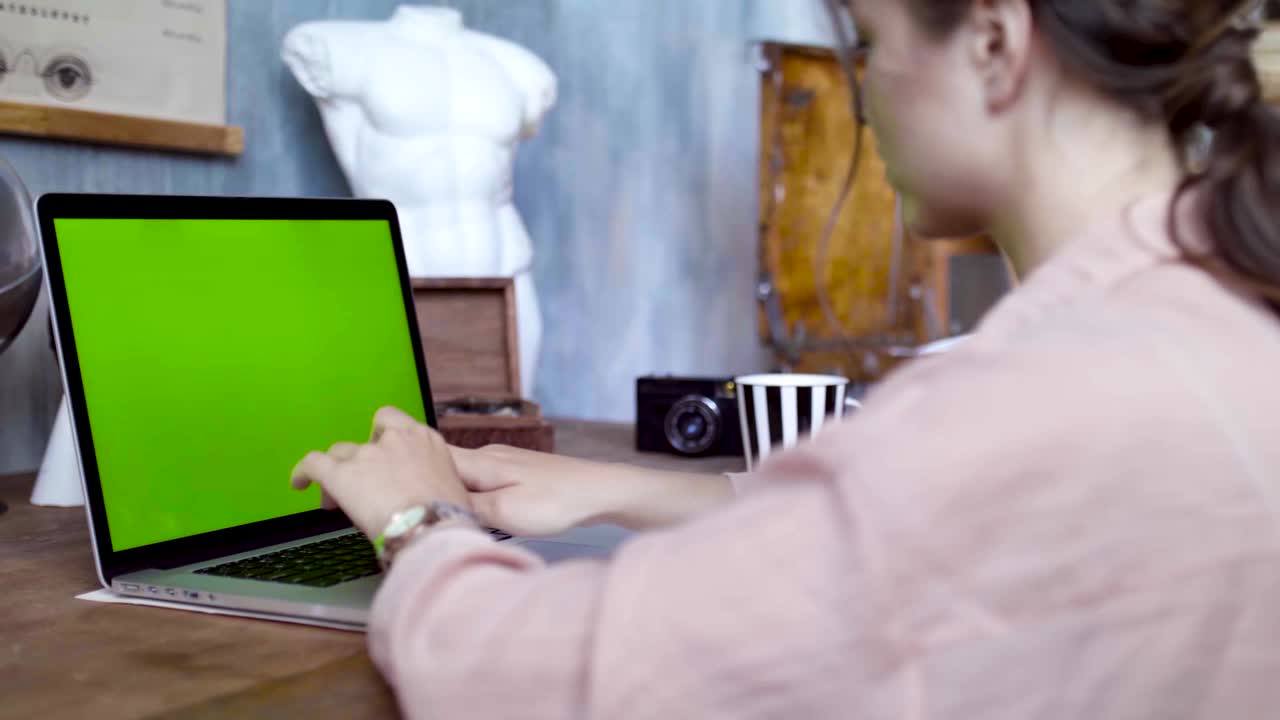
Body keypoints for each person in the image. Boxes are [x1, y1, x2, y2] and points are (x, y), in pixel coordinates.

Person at [290, 0, 1280, 717]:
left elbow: (538, 683)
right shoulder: (1214, 317)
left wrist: (422, 523)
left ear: (993, 41)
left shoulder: (1011, 406)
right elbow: (916, 534)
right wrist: (623, 489)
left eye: (868, 44)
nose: (862, 99)